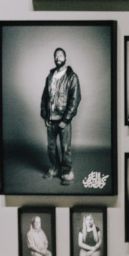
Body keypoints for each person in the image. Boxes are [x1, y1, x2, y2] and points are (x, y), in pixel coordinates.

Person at [40, 47, 80, 186]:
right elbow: (45, 97)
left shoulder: (71, 77)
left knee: (65, 148)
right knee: (51, 147)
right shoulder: (50, 77)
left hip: (63, 120)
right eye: (56, 56)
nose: (58, 58)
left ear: (65, 58)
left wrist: (65, 120)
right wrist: (45, 116)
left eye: (61, 55)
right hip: (51, 120)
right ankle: (55, 168)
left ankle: (67, 172)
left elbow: (75, 100)